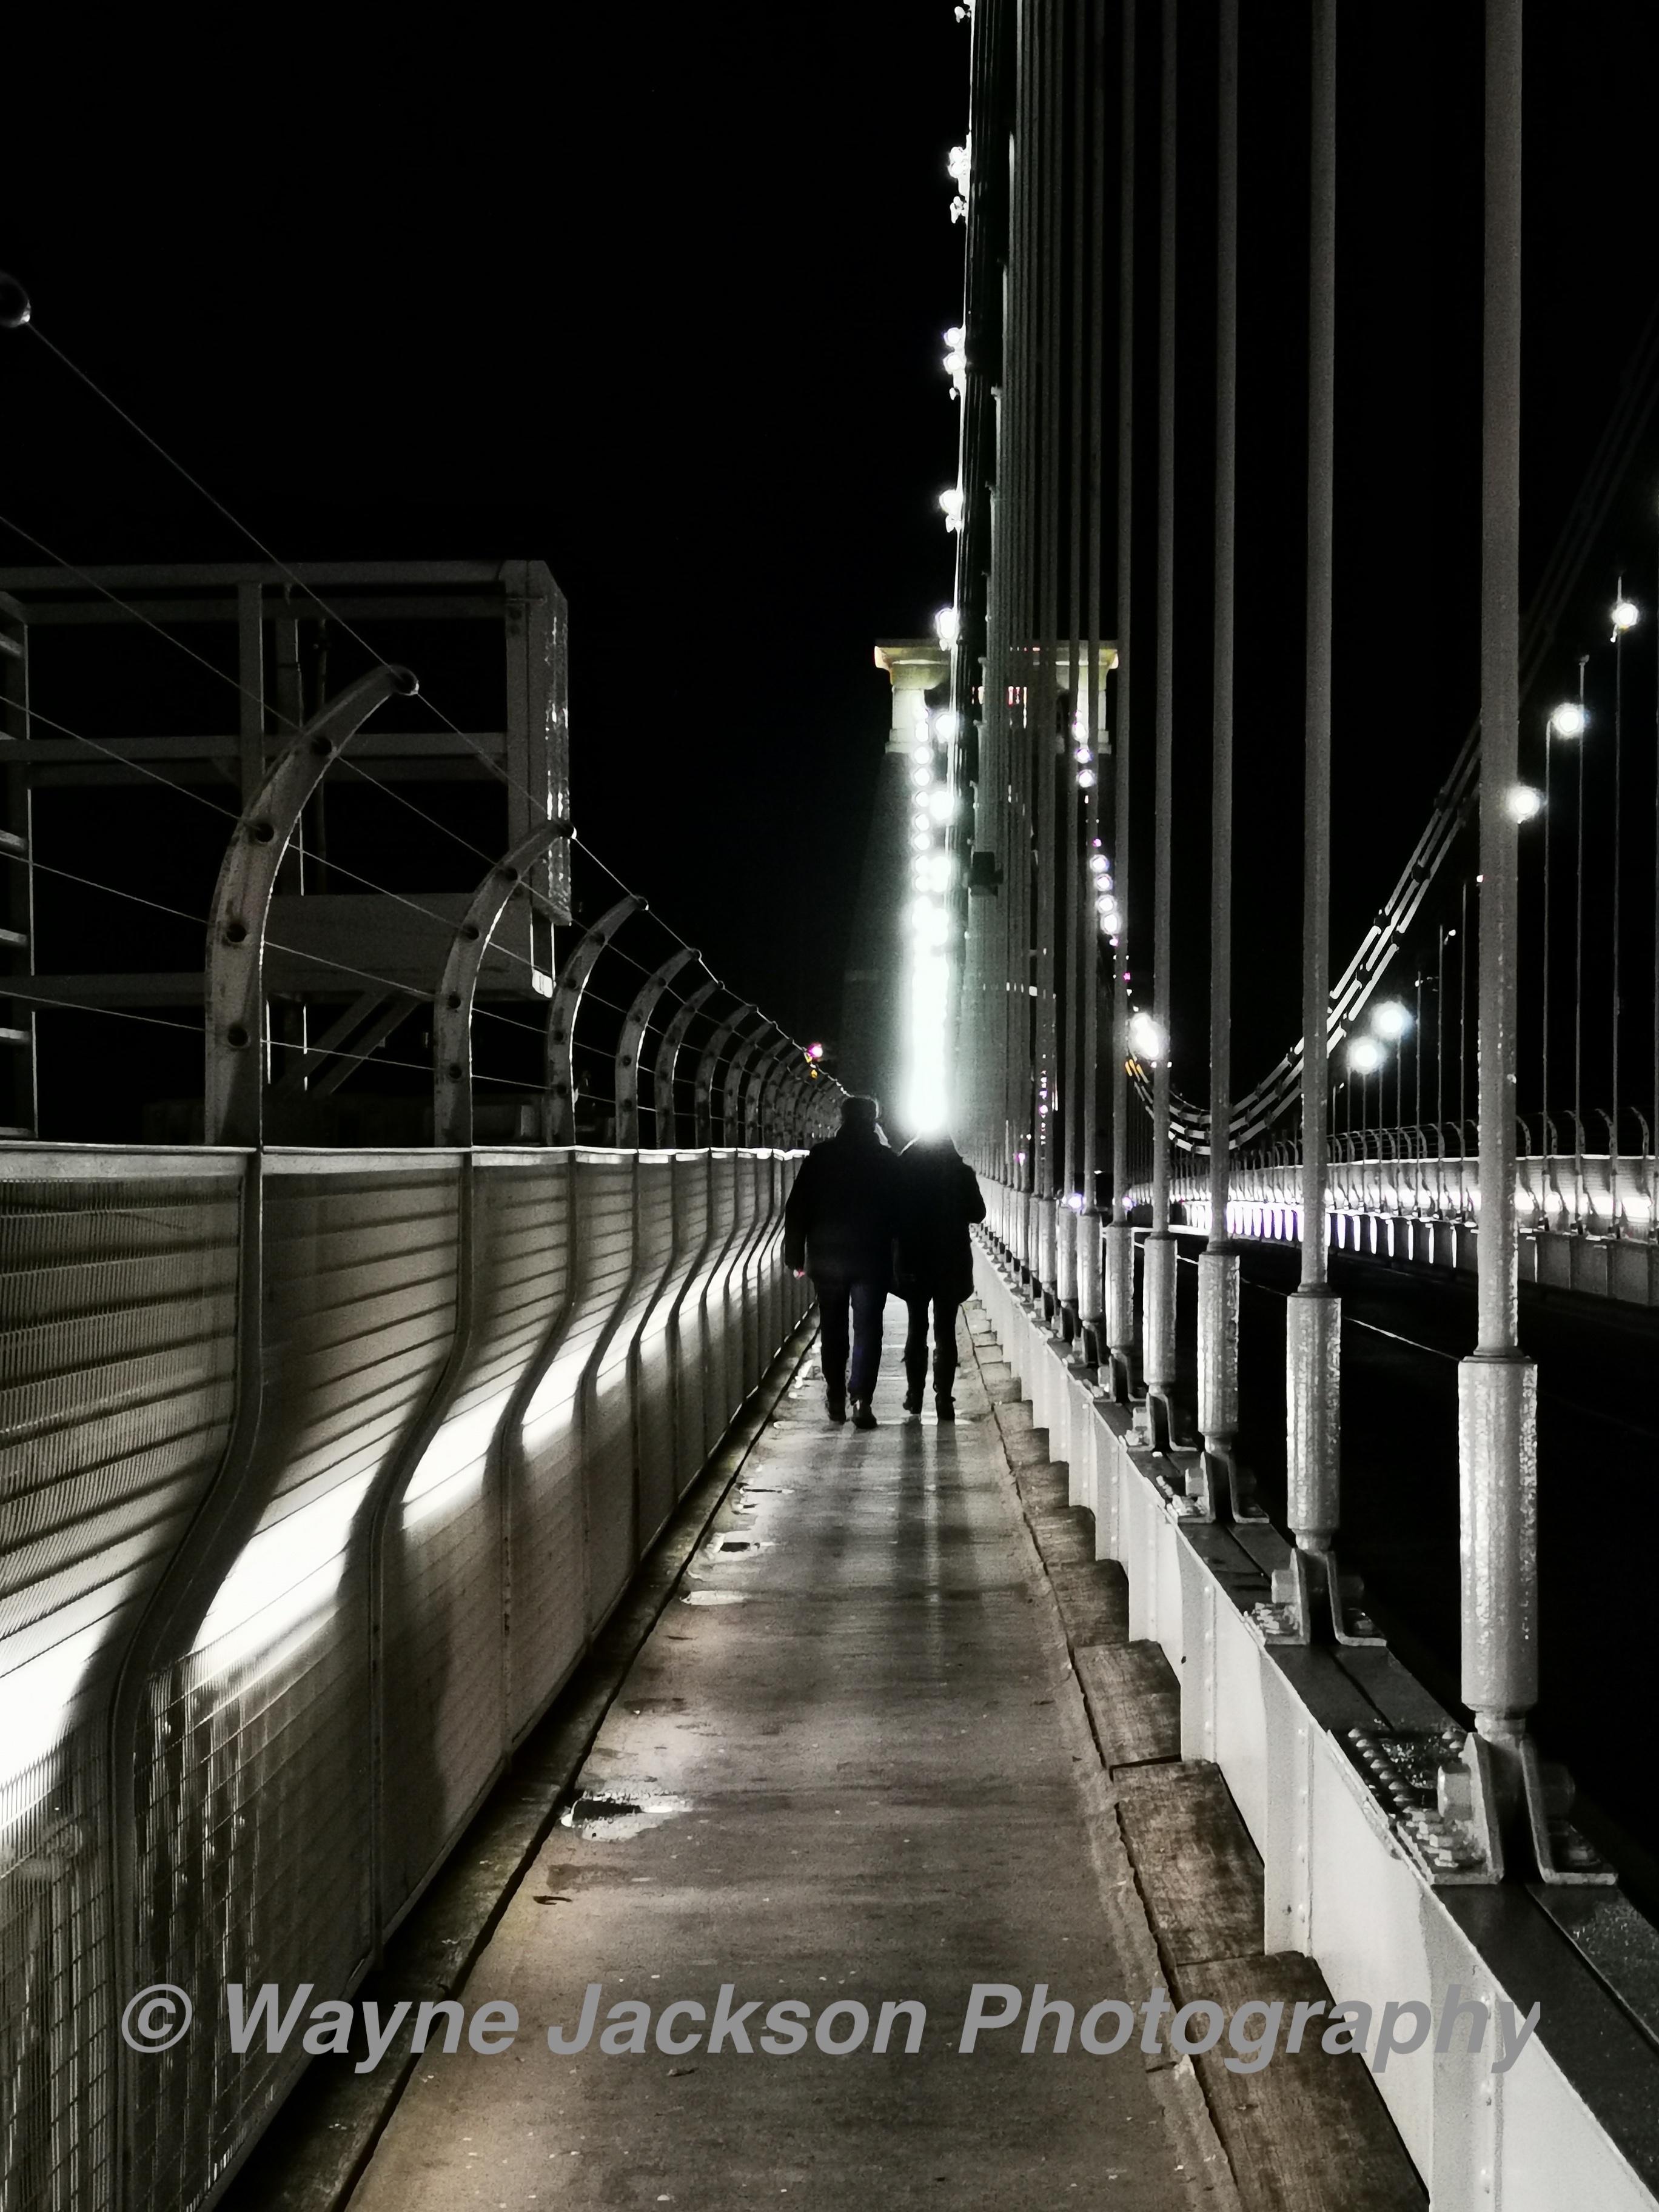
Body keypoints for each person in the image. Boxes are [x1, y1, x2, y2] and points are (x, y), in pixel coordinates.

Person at [782, 1094, 902, 1429]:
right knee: (868, 1330)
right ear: (874, 1120)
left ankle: (835, 1394)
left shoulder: (821, 1157)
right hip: (871, 1258)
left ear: (842, 1118)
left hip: (828, 1257)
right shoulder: (886, 1160)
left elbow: (798, 1208)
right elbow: (902, 1213)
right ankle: (862, 1399)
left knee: (833, 1328)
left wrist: (795, 1256)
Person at [894, 1131, 985, 1422]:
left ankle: (914, 1396)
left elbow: (892, 1215)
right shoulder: (961, 1173)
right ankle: (944, 1398)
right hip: (951, 1261)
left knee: (916, 1327)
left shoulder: (905, 1171)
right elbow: (978, 1213)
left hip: (915, 1260)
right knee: (946, 1330)